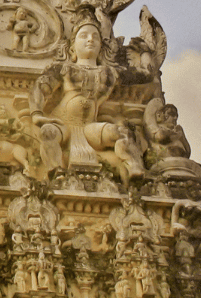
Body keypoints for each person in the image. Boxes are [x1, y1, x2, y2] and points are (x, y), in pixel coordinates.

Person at [30, 16, 144, 178]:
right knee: (47, 132)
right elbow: (40, 88)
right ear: (72, 47)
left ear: (101, 47)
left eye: (95, 37)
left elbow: (143, 75)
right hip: (63, 124)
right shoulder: (63, 69)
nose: (90, 40)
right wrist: (36, 114)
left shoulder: (109, 73)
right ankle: (55, 171)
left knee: (120, 132)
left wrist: (144, 52)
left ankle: (134, 167)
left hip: (89, 127)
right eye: (84, 36)